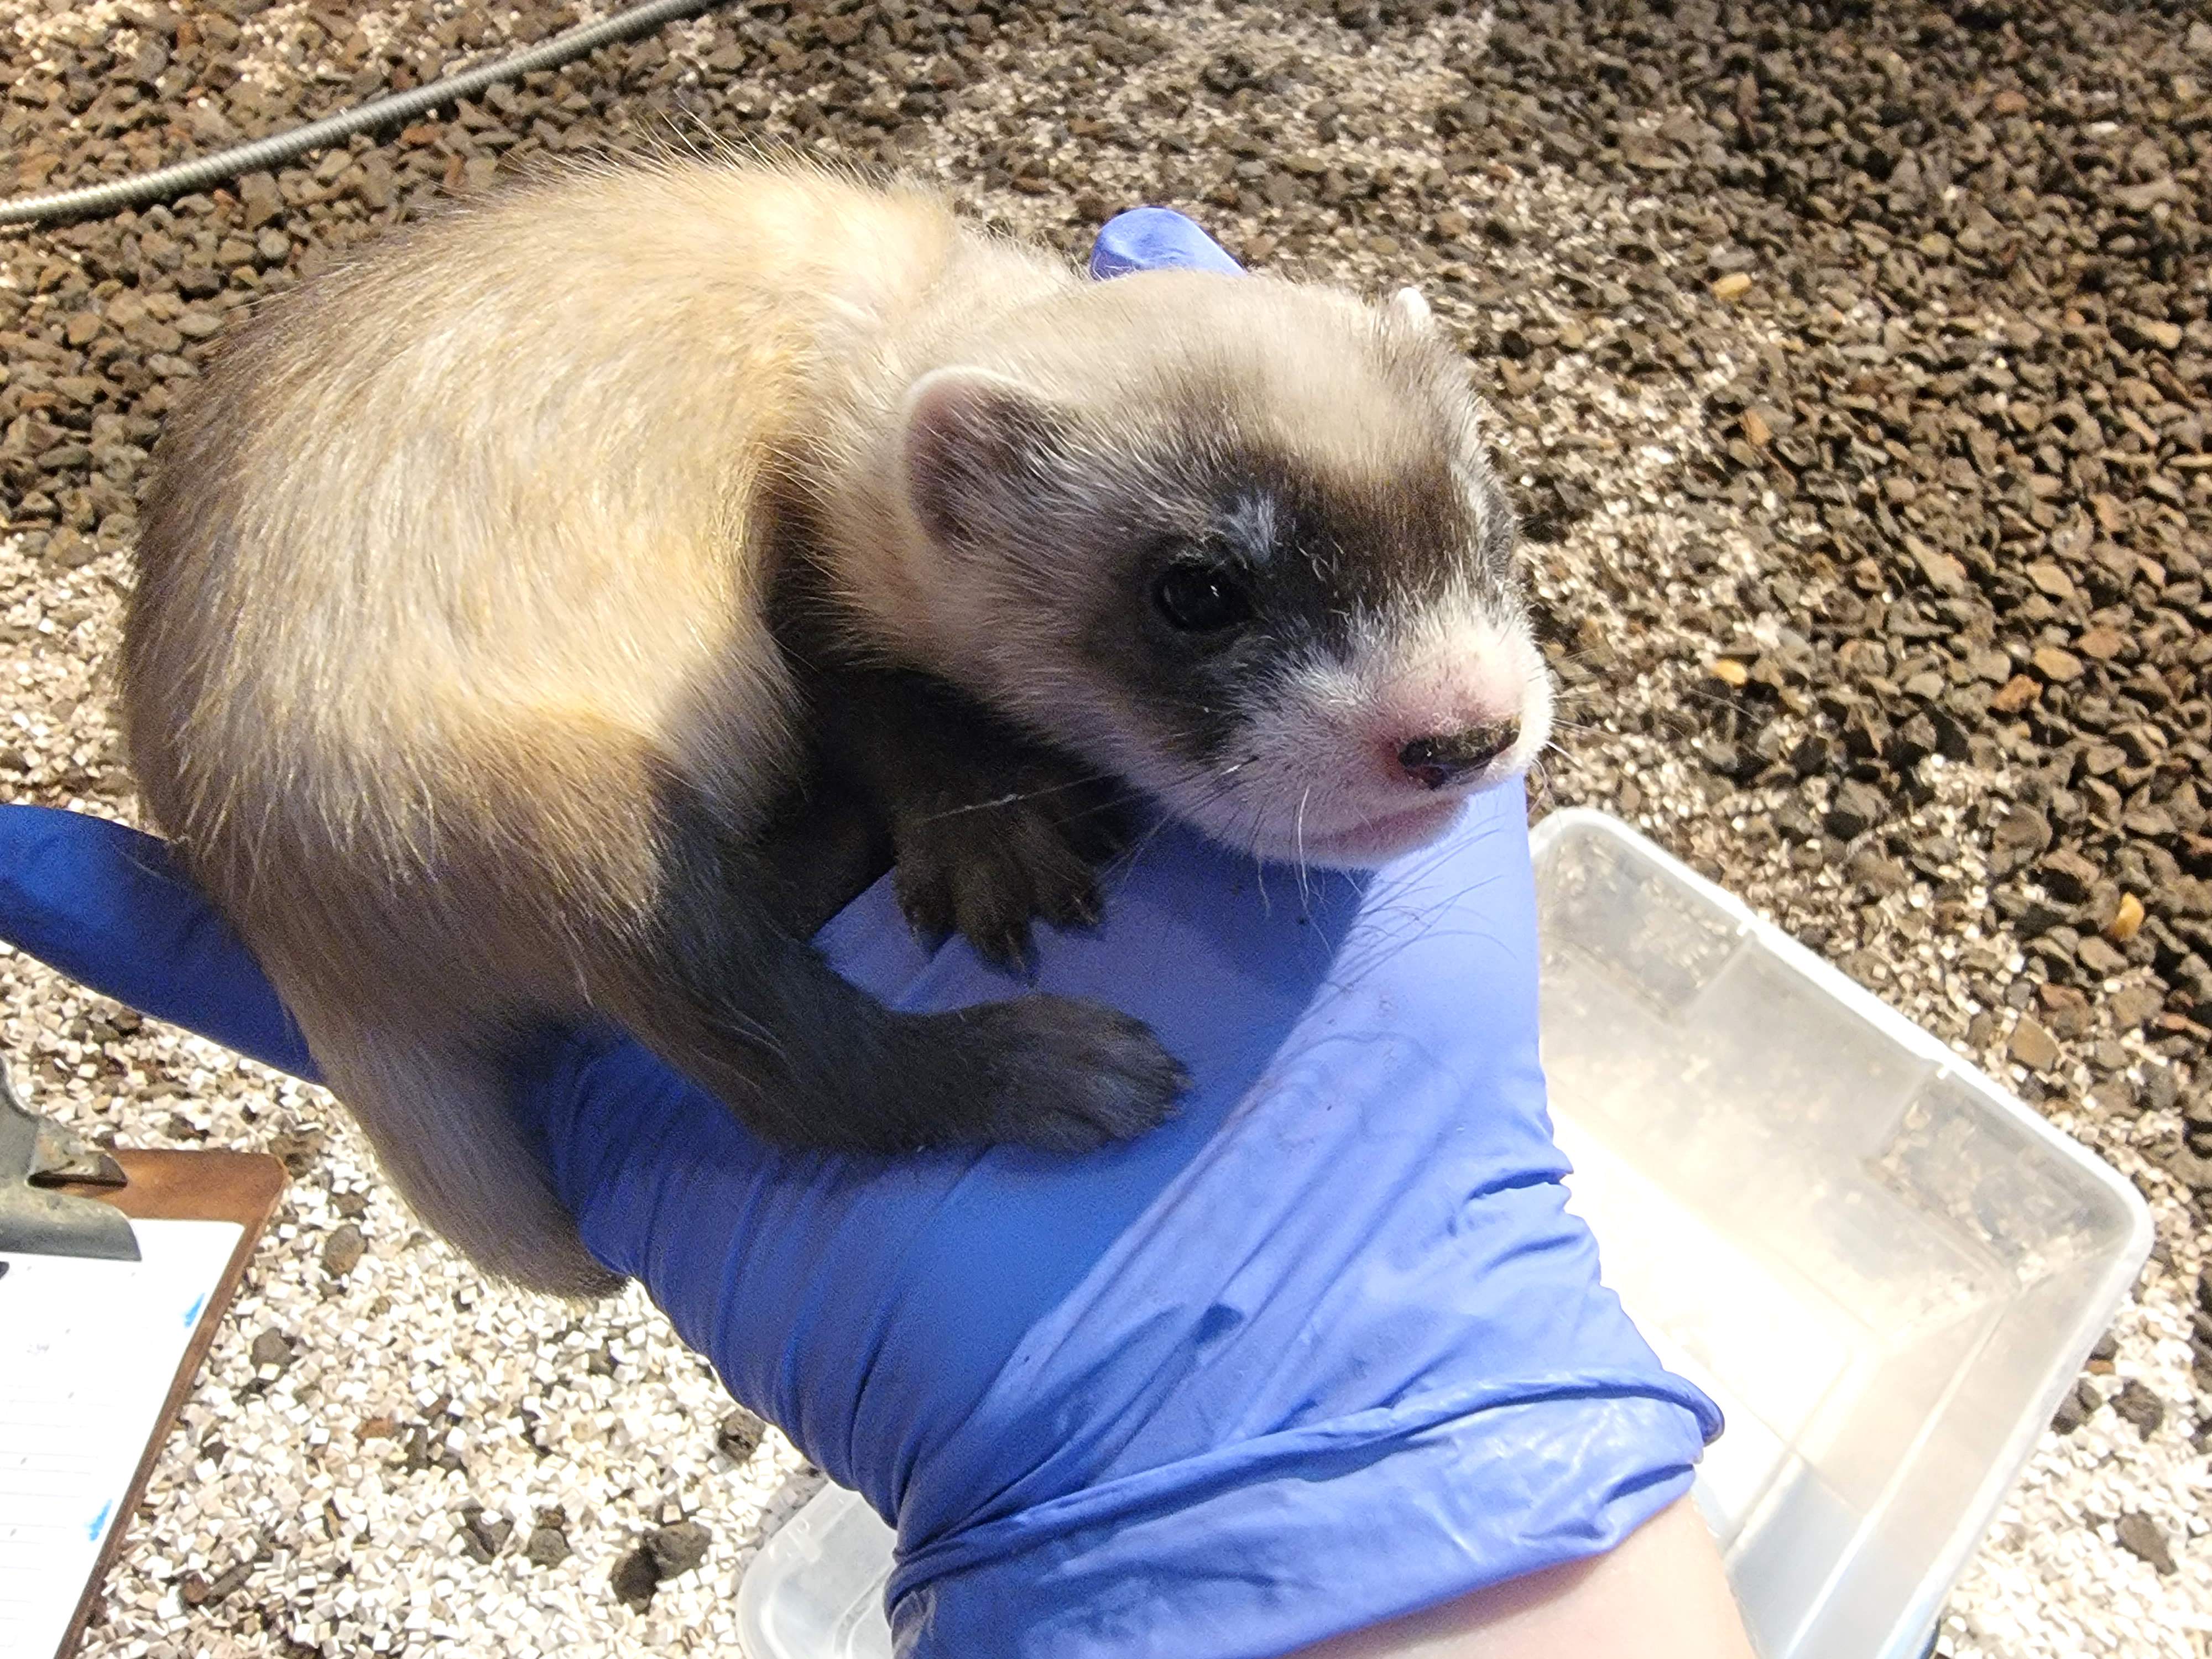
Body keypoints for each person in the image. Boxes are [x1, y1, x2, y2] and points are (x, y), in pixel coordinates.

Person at [0, 212, 1757, 1658]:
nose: (1465, 701)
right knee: (627, 831)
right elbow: (835, 644)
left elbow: (857, 657)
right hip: (425, 773)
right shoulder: (901, 443)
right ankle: (869, 1083)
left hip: (537, 690)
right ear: (965, 496)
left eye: (1464, 545)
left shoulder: (913, 417)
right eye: (1204, 603)